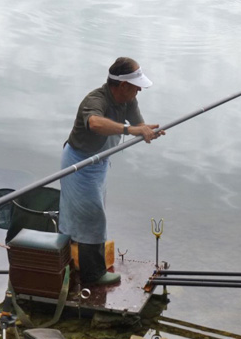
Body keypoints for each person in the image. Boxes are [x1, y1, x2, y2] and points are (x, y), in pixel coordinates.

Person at [59, 57, 164, 285]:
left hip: (100, 163)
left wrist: (147, 131)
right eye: (136, 86)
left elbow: (139, 125)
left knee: (88, 215)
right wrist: (130, 129)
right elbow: (95, 123)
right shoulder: (96, 99)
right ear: (123, 86)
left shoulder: (129, 101)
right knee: (93, 218)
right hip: (80, 164)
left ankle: (73, 261)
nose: (139, 91)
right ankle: (93, 275)